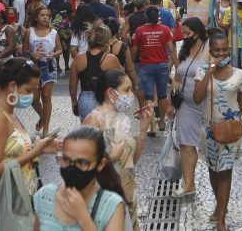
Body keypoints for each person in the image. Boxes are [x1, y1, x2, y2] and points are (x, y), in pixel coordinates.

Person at [0, 58, 59, 226]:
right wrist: (34, 152)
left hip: (19, 198)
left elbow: (12, 152)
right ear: (12, 86)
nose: (33, 95)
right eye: (29, 89)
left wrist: (40, 148)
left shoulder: (9, 114)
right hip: (3, 202)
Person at [193, 32, 242, 231]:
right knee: (214, 170)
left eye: (224, 50)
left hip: (231, 129)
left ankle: (221, 217)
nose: (221, 54)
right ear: (210, 51)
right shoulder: (202, 71)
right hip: (209, 129)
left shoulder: (239, 74)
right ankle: (220, 204)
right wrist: (209, 72)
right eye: (217, 50)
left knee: (226, 171)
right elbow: (197, 97)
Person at [83, 70, 154, 231]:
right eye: (127, 90)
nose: (131, 95)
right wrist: (111, 157)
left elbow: (131, 162)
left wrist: (143, 131)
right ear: (110, 92)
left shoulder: (122, 118)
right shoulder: (94, 120)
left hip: (128, 198)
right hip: (108, 202)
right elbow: (85, 167)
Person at [34, 126, 126, 231]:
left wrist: (83, 218)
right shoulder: (44, 196)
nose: (72, 168)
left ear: (100, 164)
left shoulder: (110, 206)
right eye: (66, 159)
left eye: (81, 162)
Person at [169, 17, 209, 197]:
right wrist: (171, 103)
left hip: (206, 103)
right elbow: (177, 78)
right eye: (183, 33)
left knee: (209, 145)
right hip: (184, 104)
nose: (184, 36)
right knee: (185, 144)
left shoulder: (209, 48)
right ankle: (189, 183)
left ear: (198, 32)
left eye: (187, 33)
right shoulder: (184, 50)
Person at [131, 6, 179, 135]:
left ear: (146, 16)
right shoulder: (165, 30)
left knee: (149, 97)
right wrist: (177, 65)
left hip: (145, 66)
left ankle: (151, 127)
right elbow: (172, 49)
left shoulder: (140, 31)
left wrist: (129, 63)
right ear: (158, 16)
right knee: (162, 95)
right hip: (162, 66)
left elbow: (134, 50)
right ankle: (162, 121)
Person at [69, 22, 122, 121]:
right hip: (104, 99)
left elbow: (72, 82)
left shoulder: (79, 58)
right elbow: (122, 79)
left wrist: (74, 101)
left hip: (85, 99)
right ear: (106, 40)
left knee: (88, 133)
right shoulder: (111, 59)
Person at [23, 6, 62, 137]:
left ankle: (46, 129)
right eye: (42, 15)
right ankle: (42, 117)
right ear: (36, 17)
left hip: (49, 66)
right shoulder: (30, 31)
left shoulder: (53, 32)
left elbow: (60, 49)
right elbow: (24, 49)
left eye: (47, 15)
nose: (45, 17)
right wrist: (32, 53)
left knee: (46, 97)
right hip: (33, 68)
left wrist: (54, 54)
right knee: (34, 99)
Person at [105, 17, 137, 88]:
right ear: (117, 30)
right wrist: (135, 85)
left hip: (103, 81)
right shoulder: (123, 46)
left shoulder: (99, 45)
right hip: (119, 82)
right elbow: (130, 69)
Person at [48, 0, 73, 72]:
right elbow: (71, 16)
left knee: (56, 47)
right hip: (65, 29)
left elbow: (48, 15)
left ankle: (58, 66)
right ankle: (66, 65)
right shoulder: (67, 4)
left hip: (55, 29)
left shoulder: (51, 4)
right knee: (66, 48)